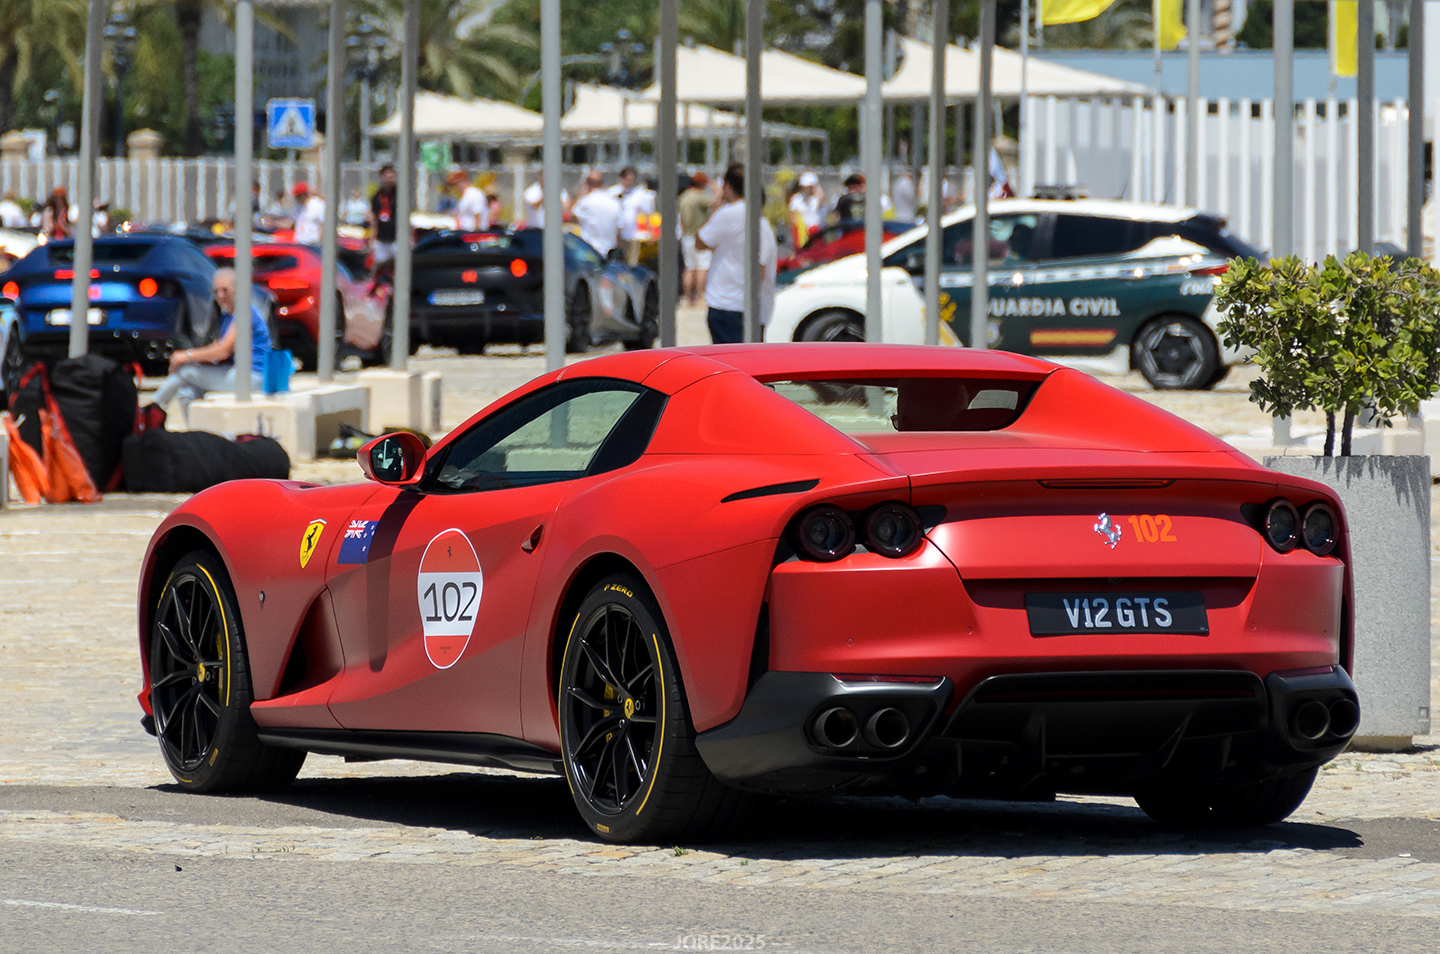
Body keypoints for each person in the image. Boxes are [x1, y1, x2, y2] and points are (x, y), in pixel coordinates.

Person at [151, 268, 271, 423]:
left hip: (254, 377)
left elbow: (222, 351)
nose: (220, 296)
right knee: (187, 392)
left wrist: (186, 356)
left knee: (186, 372)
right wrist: (193, 357)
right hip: (237, 373)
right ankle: (198, 433)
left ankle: (150, 411)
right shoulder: (228, 315)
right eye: (216, 291)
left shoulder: (245, 313)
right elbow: (216, 348)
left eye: (225, 290)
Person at [695, 162, 777, 344]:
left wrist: (715, 208)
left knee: (727, 358)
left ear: (728, 186)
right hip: (755, 307)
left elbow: (700, 242)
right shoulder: (761, 219)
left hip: (726, 303)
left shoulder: (727, 213)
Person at [679, 172, 715, 307]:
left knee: (689, 268)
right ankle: (700, 297)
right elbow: (716, 201)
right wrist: (714, 187)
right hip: (699, 235)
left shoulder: (683, 197)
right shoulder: (700, 197)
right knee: (702, 268)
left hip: (687, 236)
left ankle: (687, 298)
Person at [568, 171, 622, 257]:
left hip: (590, 251)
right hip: (609, 251)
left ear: (587, 184)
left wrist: (577, 195)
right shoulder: (615, 203)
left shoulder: (586, 201)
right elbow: (619, 229)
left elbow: (570, 215)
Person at [369, 164, 399, 270]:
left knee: (397, 267)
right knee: (381, 267)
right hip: (381, 239)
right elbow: (373, 219)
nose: (389, 179)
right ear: (382, 177)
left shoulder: (398, 195)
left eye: (391, 176)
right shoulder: (376, 196)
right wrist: (372, 239)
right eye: (387, 177)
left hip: (396, 239)